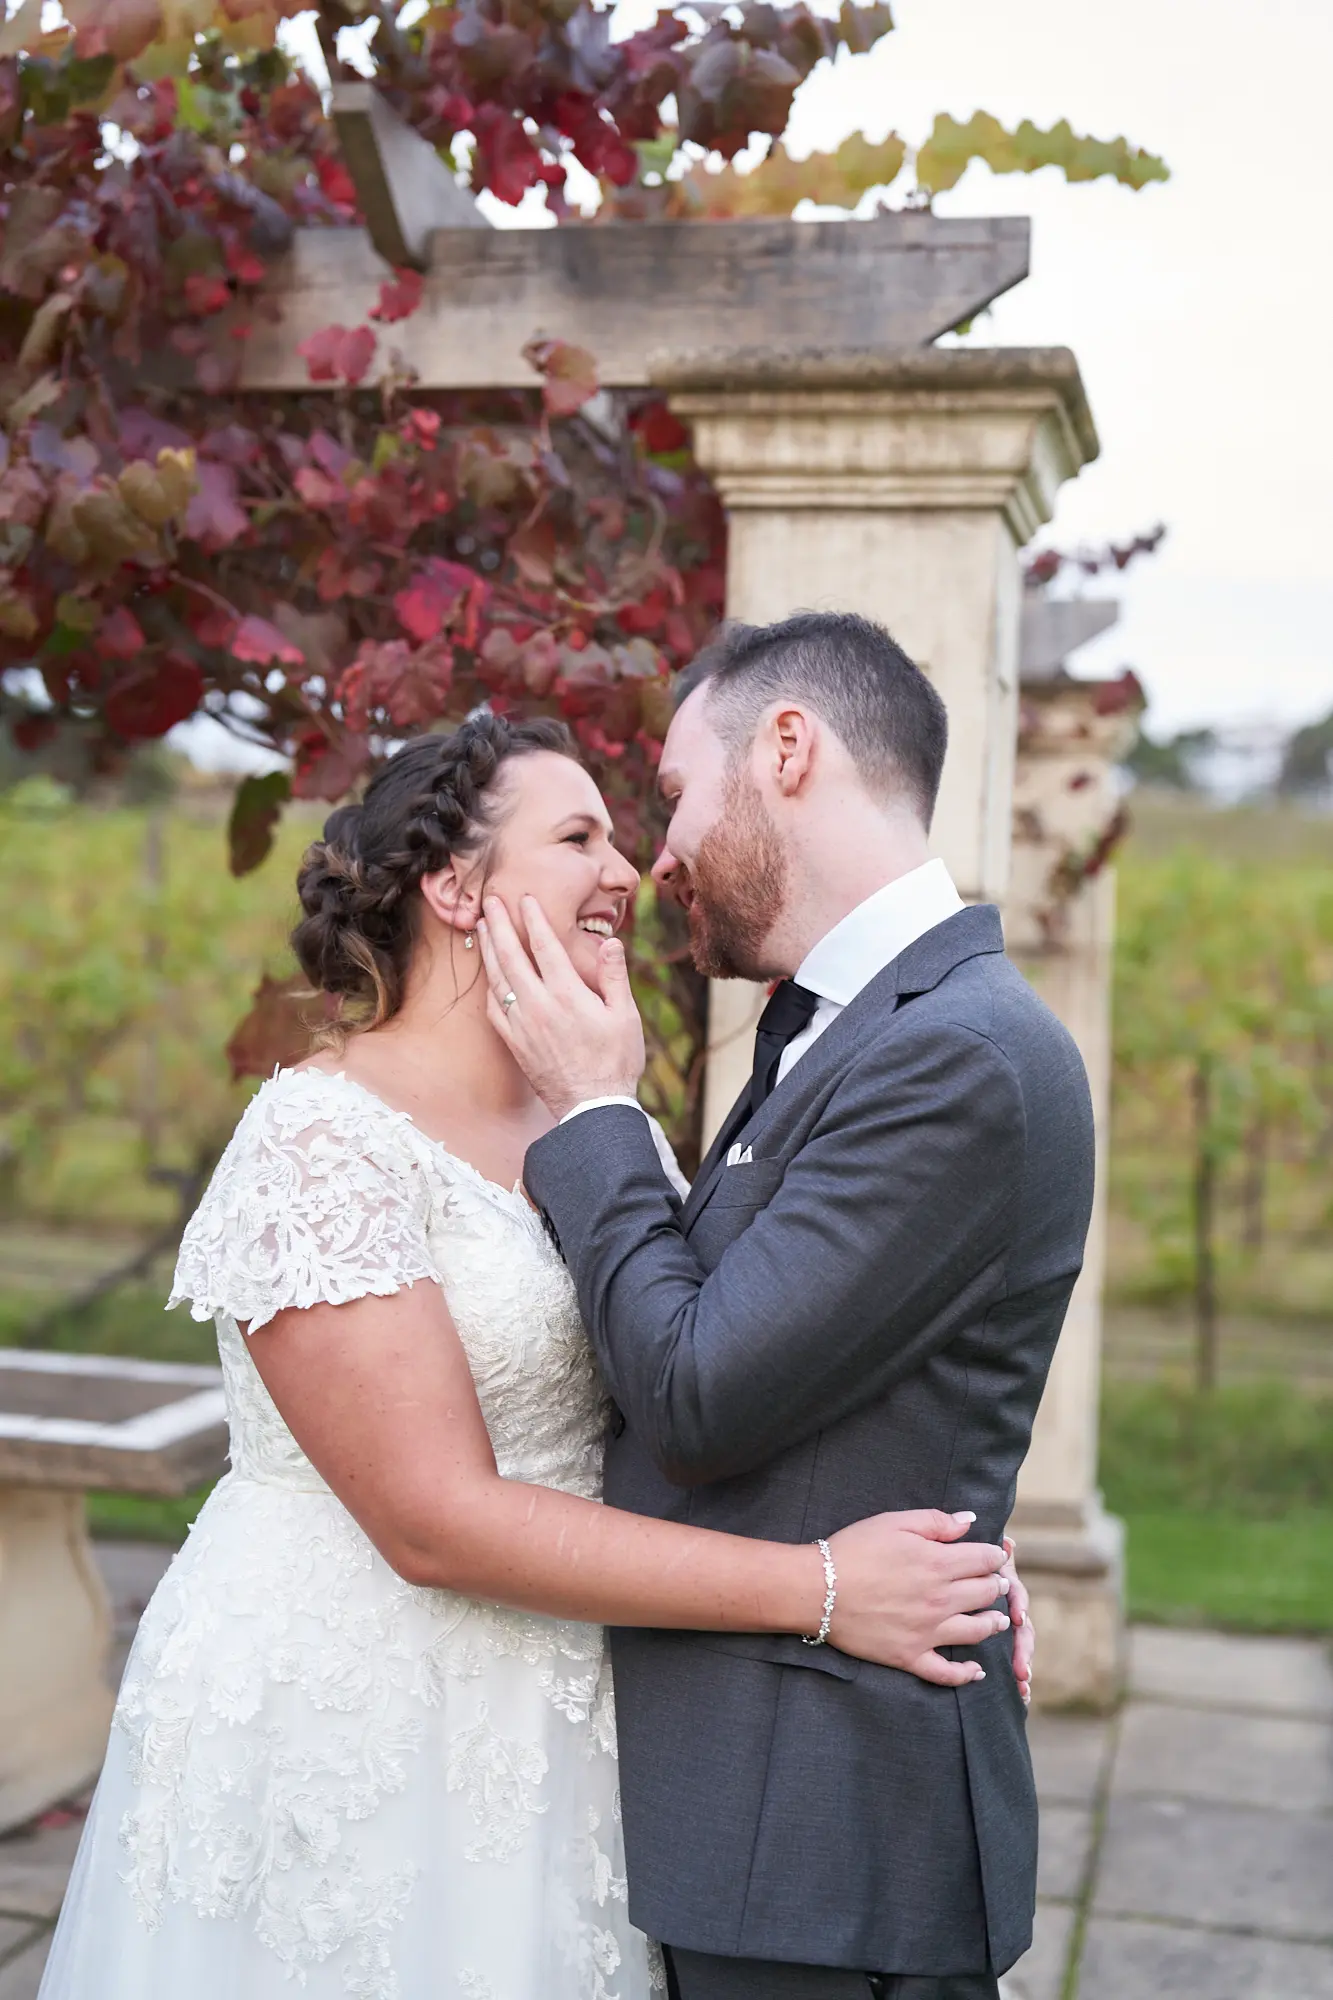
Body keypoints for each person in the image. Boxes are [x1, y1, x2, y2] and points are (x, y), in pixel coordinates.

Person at [37, 714, 1023, 2000]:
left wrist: (957, 1563)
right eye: (578, 836)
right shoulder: (319, 1144)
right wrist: (825, 1585)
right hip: (358, 1709)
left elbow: (712, 1381)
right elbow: (433, 1522)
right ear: (455, 884)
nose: (628, 869)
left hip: (567, 1708)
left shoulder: (599, 1122)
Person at [478, 613, 1097, 2000]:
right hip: (747, 1813)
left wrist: (593, 1109)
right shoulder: (850, 1029)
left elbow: (697, 1390)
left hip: (818, 1838)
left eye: (679, 792)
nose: (665, 853)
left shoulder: (961, 1057)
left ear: (789, 748)